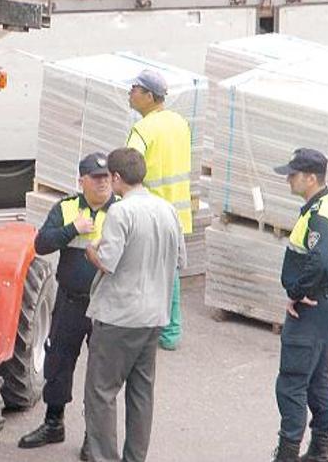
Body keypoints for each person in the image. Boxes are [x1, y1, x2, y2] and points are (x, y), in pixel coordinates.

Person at [83, 147, 186, 462]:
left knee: (101, 393)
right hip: (154, 316)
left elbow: (107, 262)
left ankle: (103, 457)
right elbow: (180, 259)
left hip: (119, 316)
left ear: (116, 177)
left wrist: (91, 250)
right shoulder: (167, 210)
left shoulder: (121, 212)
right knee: (141, 394)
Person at [18, 152, 116, 461]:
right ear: (81, 181)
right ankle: (53, 422)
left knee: (101, 374)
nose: (102, 183)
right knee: (58, 362)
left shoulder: (123, 212)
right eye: (96, 178)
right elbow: (41, 244)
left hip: (106, 305)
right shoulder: (66, 208)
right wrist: (73, 227)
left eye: (106, 177)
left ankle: (93, 436)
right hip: (71, 301)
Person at [270, 148, 328, 462]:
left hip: (313, 307)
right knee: (318, 378)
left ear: (310, 178)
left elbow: (318, 260)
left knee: (292, 382)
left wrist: (297, 290)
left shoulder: (319, 215)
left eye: (292, 175)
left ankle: (288, 454)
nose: (288, 180)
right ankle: (319, 452)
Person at [125, 68, 192, 351]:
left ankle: (147, 328)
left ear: (149, 96)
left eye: (135, 89)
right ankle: (170, 331)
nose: (130, 93)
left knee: (142, 270)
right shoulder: (179, 122)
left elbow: (127, 168)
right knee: (170, 272)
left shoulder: (143, 129)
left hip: (148, 213)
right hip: (177, 211)